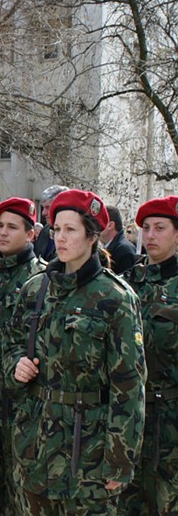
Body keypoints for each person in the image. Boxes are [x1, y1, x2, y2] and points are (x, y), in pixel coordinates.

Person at [3, 189, 145, 514]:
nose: (61, 238)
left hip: (89, 455)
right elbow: (10, 345)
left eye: (71, 230)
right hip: (36, 446)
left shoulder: (115, 298)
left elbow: (128, 387)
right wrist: (16, 365)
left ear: (92, 236)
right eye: (56, 229)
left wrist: (119, 459)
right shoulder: (36, 289)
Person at [0, 198, 46, 515]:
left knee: (23, 500)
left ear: (31, 234)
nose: (2, 233)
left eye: (12, 227)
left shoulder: (45, 281)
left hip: (24, 414)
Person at [119, 196, 178, 515]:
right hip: (130, 417)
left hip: (170, 421)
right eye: (146, 228)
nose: (151, 235)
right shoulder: (128, 283)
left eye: (160, 228)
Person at [32, 185, 69, 261]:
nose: (43, 213)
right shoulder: (45, 230)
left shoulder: (73, 234)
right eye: (43, 208)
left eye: (48, 207)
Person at [101, 205, 137, 274]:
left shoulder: (124, 250)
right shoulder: (109, 245)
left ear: (110, 225)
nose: (94, 225)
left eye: (99, 221)